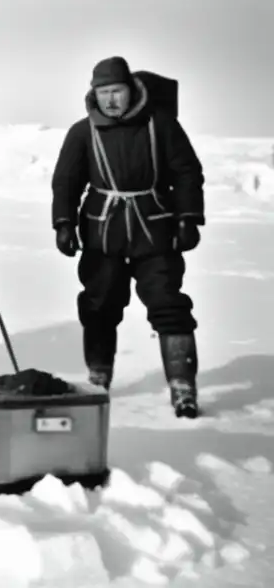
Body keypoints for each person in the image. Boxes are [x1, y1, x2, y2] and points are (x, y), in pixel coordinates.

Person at [51, 56, 205, 418]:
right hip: (102, 233)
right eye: (103, 92)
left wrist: (188, 218)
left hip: (154, 230)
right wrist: (63, 223)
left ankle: (183, 386)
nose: (110, 100)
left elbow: (187, 172)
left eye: (116, 91)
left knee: (168, 304)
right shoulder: (82, 132)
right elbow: (66, 181)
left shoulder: (161, 125)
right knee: (100, 305)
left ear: (130, 90)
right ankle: (98, 378)